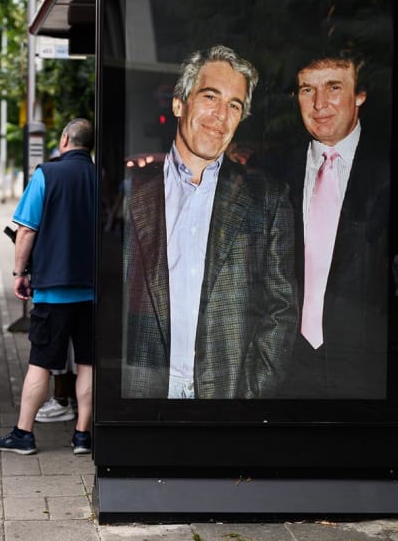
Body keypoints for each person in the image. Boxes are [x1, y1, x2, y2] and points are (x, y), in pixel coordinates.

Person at [122, 45, 299, 399]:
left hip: (227, 395)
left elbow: (281, 310)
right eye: (210, 97)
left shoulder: (267, 197)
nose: (221, 115)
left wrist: (252, 394)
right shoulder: (129, 192)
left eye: (234, 105)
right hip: (142, 393)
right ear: (179, 103)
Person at [276, 52, 389, 398]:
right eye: (307, 90)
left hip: (365, 364)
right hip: (287, 363)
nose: (319, 104)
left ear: (360, 95)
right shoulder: (274, 171)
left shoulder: (388, 172)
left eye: (334, 87)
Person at [0, 118, 96, 455]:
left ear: (65, 139)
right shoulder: (102, 177)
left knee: (40, 362)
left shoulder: (47, 175)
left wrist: (18, 272)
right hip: (94, 291)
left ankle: (24, 434)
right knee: (88, 363)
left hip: (53, 289)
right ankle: (82, 435)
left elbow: (25, 230)